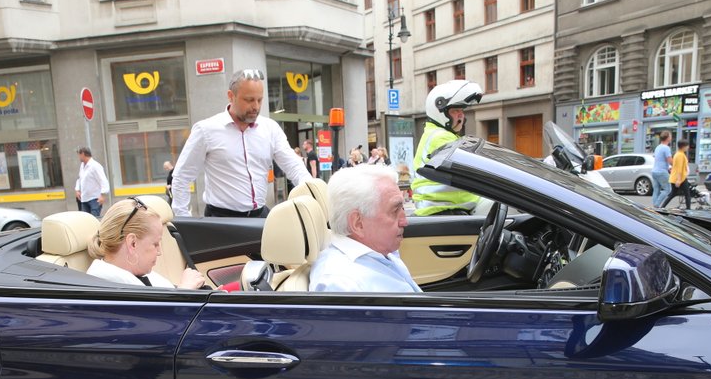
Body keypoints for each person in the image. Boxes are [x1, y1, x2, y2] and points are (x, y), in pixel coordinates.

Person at [171, 69, 310, 218]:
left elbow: (294, 166)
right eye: (249, 100)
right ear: (231, 96)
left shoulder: (270, 129)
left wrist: (313, 194)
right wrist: (183, 220)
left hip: (260, 216)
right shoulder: (206, 130)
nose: (256, 106)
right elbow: (182, 175)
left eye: (260, 100)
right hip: (221, 219)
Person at [309, 164, 421, 293]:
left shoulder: (380, 253)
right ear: (358, 223)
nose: (404, 222)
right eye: (395, 210)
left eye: (402, 208)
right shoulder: (342, 284)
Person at [86, 197, 205, 289]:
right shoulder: (110, 288)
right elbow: (160, 318)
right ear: (133, 243)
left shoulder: (131, 276)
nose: (159, 252)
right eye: (155, 244)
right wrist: (185, 289)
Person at [411, 79, 483, 216]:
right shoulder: (440, 137)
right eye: (456, 110)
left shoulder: (438, 134)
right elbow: (474, 169)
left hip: (445, 207)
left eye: (462, 110)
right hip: (441, 209)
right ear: (440, 111)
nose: (461, 115)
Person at [74, 147, 110, 218]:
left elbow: (103, 180)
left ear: (83, 154)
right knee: (85, 221)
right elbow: (80, 178)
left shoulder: (95, 166)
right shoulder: (82, 166)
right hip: (84, 198)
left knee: (94, 219)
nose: (79, 157)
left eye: (79, 155)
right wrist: (77, 190)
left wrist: (102, 195)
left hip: (94, 198)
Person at [661, 140, 692, 210]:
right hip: (680, 178)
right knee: (687, 194)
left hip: (676, 177)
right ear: (683, 147)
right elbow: (679, 168)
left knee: (673, 194)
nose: (688, 147)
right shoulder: (680, 155)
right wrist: (678, 180)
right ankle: (688, 210)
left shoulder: (678, 154)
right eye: (687, 146)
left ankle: (662, 207)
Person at [651, 131, 673, 207]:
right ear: (668, 138)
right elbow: (670, 160)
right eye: (670, 136)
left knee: (656, 190)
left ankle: (654, 207)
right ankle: (656, 205)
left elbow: (658, 158)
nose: (671, 137)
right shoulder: (666, 148)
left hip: (654, 171)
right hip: (662, 172)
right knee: (667, 189)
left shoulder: (658, 147)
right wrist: (675, 166)